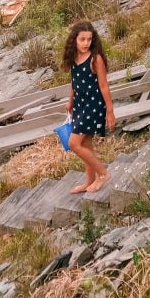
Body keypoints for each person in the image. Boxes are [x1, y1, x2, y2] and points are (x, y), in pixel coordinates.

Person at [61, 21, 116, 193]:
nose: (86, 43)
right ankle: (89, 181)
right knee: (86, 144)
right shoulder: (74, 59)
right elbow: (74, 82)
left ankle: (103, 173)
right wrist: (70, 100)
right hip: (80, 105)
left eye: (89, 39)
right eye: (82, 39)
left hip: (94, 105)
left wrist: (110, 112)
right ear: (74, 40)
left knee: (74, 143)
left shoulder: (95, 59)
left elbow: (104, 86)